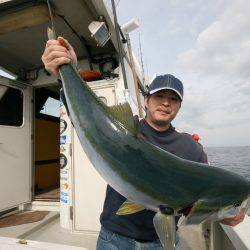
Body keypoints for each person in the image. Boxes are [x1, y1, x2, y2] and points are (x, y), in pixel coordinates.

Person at [42, 37, 246, 250]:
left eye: (173, 99)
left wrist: (226, 214)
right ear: (147, 100)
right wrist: (66, 70)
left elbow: (208, 193)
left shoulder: (192, 148)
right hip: (114, 239)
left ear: (179, 107)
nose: (166, 102)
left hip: (159, 243)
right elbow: (83, 119)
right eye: (159, 96)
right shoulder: (124, 129)